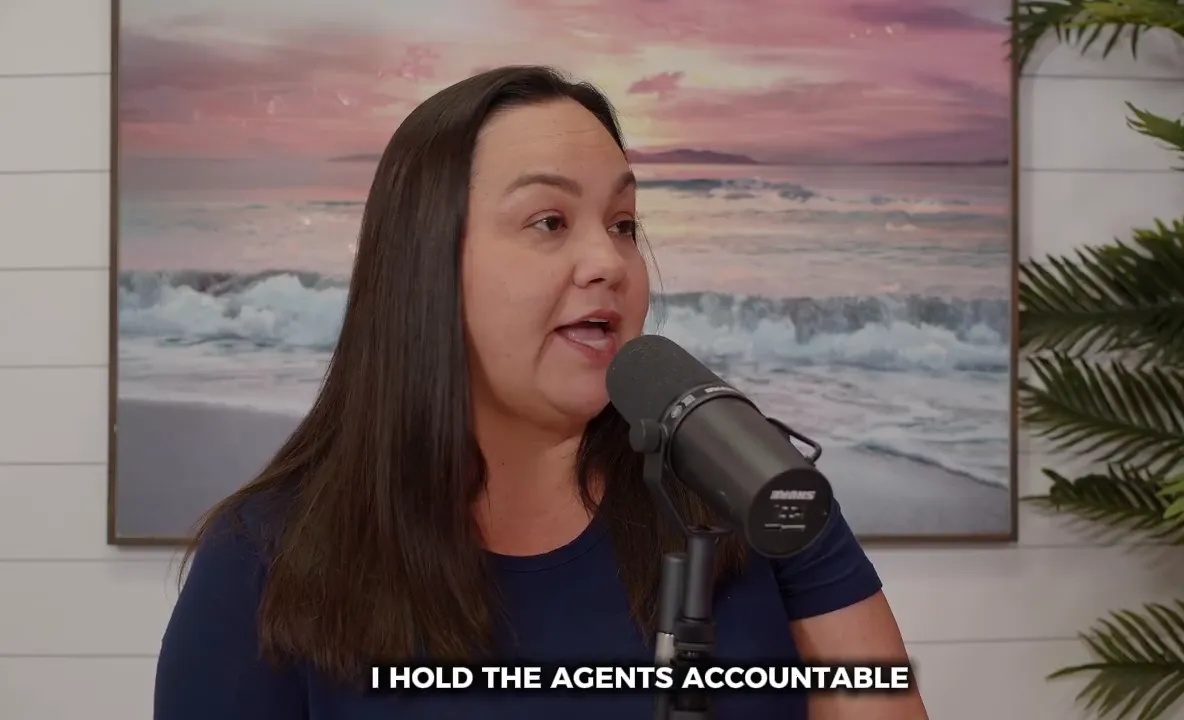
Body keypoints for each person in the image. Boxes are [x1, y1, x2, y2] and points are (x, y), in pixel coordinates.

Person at [153, 65, 929, 720]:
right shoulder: (262, 564)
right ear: (426, 269)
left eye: (624, 224)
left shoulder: (757, 491)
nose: (609, 262)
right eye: (550, 221)